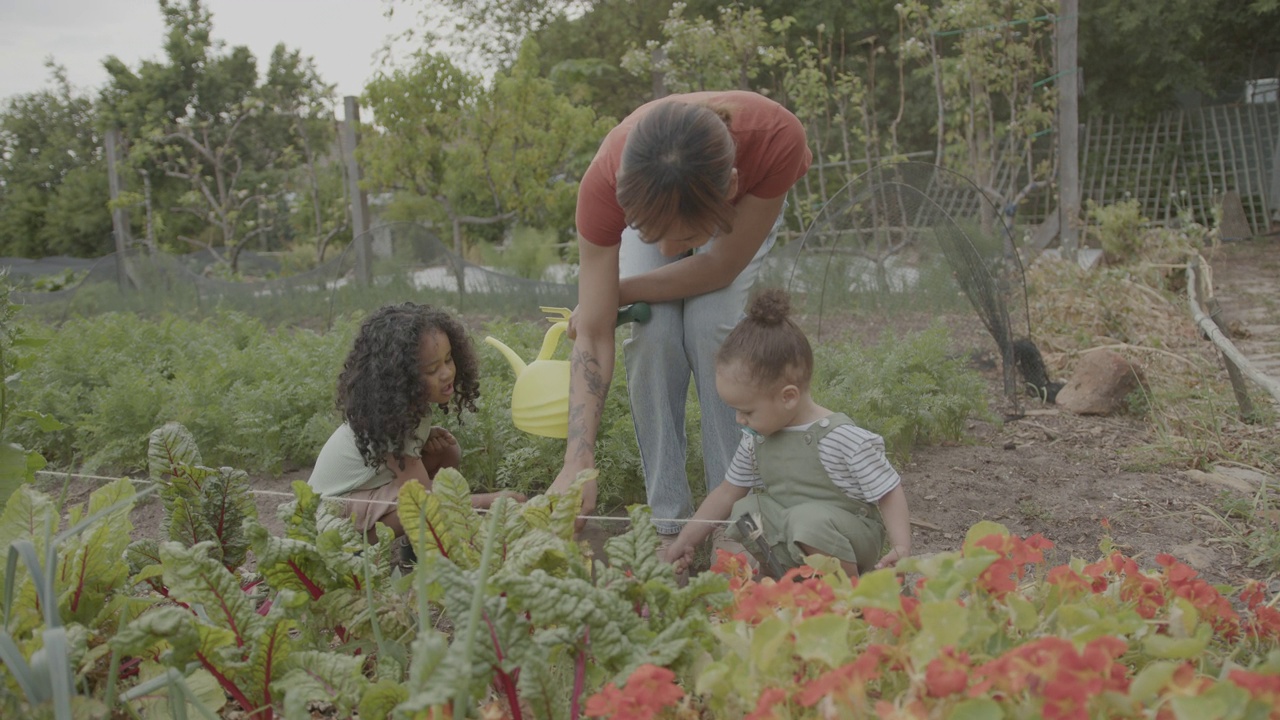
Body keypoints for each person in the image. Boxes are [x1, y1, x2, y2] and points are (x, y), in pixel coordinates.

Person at [550, 91, 812, 545]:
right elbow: (592, 333)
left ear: (728, 188)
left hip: (738, 203)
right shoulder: (605, 182)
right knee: (653, 331)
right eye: (654, 238)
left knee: (712, 327)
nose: (669, 253)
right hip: (665, 196)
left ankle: (737, 519)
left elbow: (718, 267)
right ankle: (670, 524)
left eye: (685, 237)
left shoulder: (776, 139)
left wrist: (612, 293)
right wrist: (578, 460)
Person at [659, 289, 912, 578]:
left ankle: (845, 592)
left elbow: (889, 491)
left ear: (788, 397)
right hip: (797, 529)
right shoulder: (757, 439)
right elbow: (727, 492)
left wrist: (901, 548)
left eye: (748, 411)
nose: (739, 419)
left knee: (806, 521)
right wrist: (686, 539)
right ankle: (778, 577)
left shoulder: (841, 438)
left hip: (850, 538)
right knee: (746, 509)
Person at [308, 302, 524, 542]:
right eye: (432, 370)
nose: (446, 373)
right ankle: (366, 547)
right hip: (330, 517)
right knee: (418, 507)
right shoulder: (389, 423)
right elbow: (422, 499)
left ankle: (425, 539)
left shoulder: (401, 411)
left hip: (363, 493)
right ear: (400, 379)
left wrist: (424, 435)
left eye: (449, 359)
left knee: (447, 450)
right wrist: (487, 502)